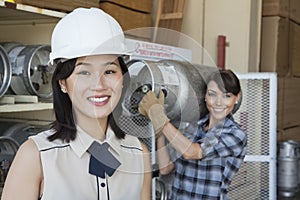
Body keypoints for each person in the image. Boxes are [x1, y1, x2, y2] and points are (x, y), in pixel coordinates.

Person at [1, 8, 151, 200]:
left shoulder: (139, 153)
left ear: (123, 78)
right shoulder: (36, 156)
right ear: (62, 83)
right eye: (84, 73)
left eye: (109, 71)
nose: (99, 85)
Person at [138, 68, 247, 199]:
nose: (218, 102)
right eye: (212, 94)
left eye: (226, 96)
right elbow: (165, 167)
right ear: (205, 97)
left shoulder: (236, 135)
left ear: (237, 98)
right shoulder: (193, 127)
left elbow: (193, 152)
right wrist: (160, 130)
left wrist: (161, 119)